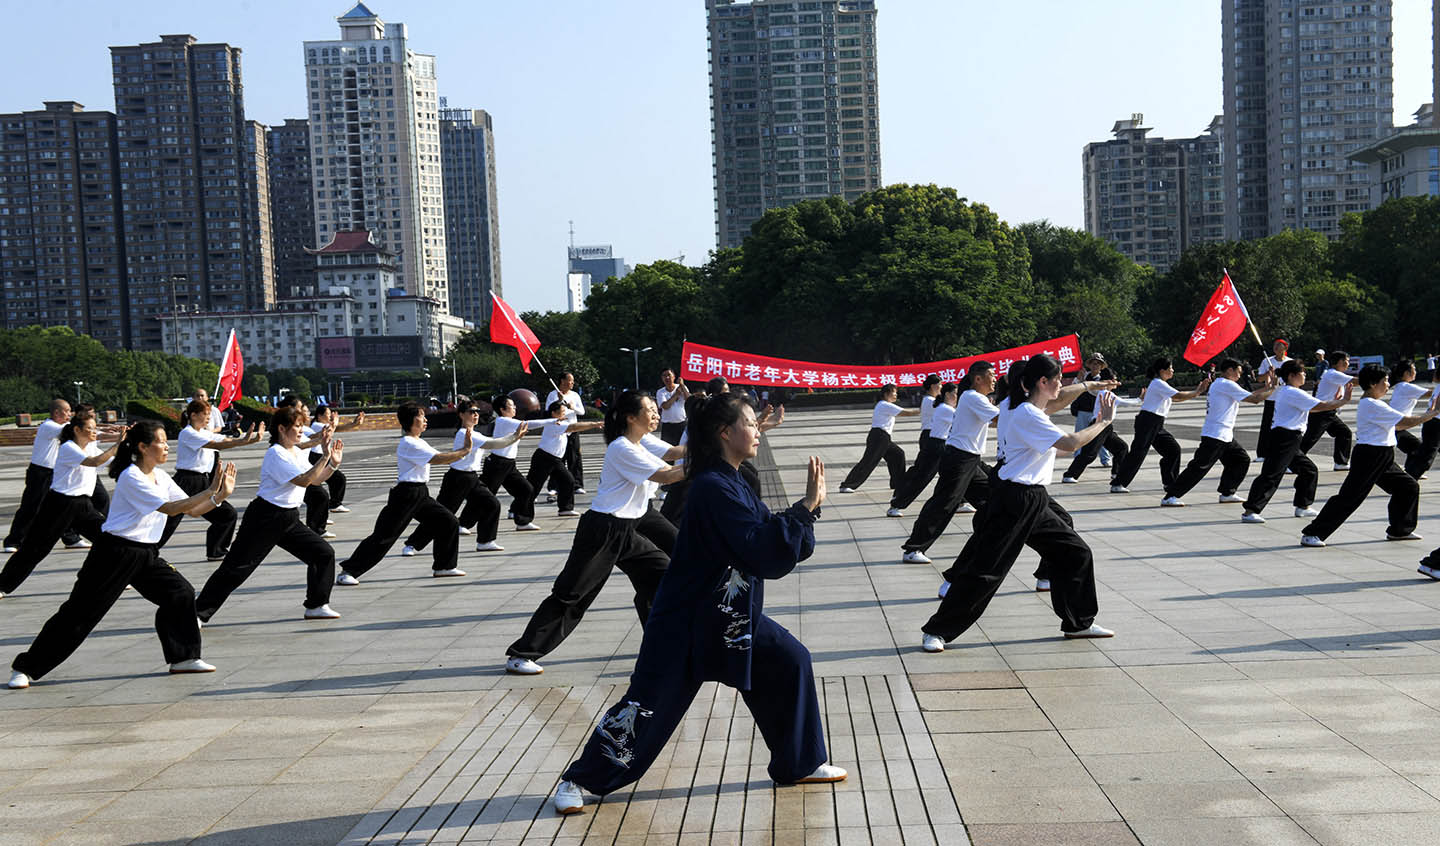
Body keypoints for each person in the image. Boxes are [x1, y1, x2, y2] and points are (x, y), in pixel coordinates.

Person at [549, 393, 844, 814]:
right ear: (725, 433)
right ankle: (580, 780)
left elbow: (765, 534)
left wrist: (802, 514)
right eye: (749, 423)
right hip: (686, 622)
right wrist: (806, 507)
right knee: (647, 706)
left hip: (730, 619)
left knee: (790, 660)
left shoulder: (733, 479)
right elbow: (759, 548)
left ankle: (799, 762)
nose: (757, 430)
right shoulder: (711, 487)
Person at [8, 422, 235, 689]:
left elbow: (193, 510)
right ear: (142, 447)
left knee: (180, 593)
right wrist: (211, 490)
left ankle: (183, 658)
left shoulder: (161, 476)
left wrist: (220, 496)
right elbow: (171, 508)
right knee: (80, 614)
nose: (166, 446)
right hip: (114, 553)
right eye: (161, 442)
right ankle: (25, 667)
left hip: (145, 554)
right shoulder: (132, 476)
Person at [919, 355, 1119, 653]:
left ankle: (1078, 623)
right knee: (987, 569)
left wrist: (1089, 385)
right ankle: (937, 631)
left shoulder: (1014, 406)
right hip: (1016, 499)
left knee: (1074, 553)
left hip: (1032, 497)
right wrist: (1103, 422)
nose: (1061, 384)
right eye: (1058, 378)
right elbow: (1068, 444)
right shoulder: (1027, 413)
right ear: (1042, 382)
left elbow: (1059, 400)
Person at [505, 391, 686, 676]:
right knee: (573, 594)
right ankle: (521, 654)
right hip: (602, 530)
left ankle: (662, 650)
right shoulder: (622, 448)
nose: (656, 414)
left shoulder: (640, 444)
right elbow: (669, 476)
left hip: (628, 530)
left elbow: (674, 462)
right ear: (630, 417)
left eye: (655, 409)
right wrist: (714, 457)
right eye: (650, 410)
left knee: (662, 578)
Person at [194, 406, 345, 622]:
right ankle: (197, 613)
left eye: (302, 426)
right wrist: (324, 458)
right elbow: (302, 480)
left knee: (322, 554)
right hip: (265, 517)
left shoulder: (295, 451)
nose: (302, 431)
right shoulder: (276, 453)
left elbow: (316, 480)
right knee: (237, 568)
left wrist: (333, 464)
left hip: (289, 518)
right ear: (282, 429)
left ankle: (316, 605)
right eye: (297, 426)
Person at [1300, 364, 1436, 548]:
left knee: (1408, 486)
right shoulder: (1372, 404)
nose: (1388, 384)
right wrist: (1432, 413)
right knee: (1350, 497)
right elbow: (1405, 421)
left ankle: (1400, 530)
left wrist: (1428, 415)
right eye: (1385, 381)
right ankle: (1312, 533)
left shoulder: (1375, 404)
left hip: (1384, 455)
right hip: (1370, 456)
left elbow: (1399, 426)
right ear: (1372, 384)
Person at [337, 402, 473, 584]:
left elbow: (441, 457)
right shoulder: (408, 443)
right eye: (421, 416)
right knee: (385, 536)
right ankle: (349, 571)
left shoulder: (419, 441)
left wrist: (461, 452)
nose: (425, 420)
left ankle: (444, 567)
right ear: (410, 420)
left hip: (420, 494)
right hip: (406, 495)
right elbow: (438, 459)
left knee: (448, 522)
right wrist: (464, 451)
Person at [0, 407, 123, 597]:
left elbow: (109, 460)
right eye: (90, 428)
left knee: (109, 540)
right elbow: (95, 462)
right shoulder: (68, 448)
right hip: (59, 505)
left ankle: (120, 578)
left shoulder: (90, 445)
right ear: (77, 430)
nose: (94, 432)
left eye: (94, 428)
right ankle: (2, 585)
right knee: (35, 549)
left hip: (83, 505)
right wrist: (118, 443)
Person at [402, 400, 528, 556]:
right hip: (457, 479)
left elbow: (494, 443)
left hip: (472, 478)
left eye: (477, 412)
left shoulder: (476, 434)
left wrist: (515, 436)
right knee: (443, 514)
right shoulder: (464, 433)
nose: (475, 414)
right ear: (461, 415)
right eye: (471, 411)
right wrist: (515, 436)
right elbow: (495, 444)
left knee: (491, 504)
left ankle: (485, 541)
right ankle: (412, 544)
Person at [900, 367, 997, 563]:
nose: (995, 378)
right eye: (991, 375)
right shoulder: (972, 397)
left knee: (993, 497)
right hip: (959, 460)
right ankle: (913, 548)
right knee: (944, 503)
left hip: (971, 460)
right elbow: (1000, 418)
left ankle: (986, 542)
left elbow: (997, 419)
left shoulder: (975, 398)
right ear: (978, 379)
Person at [1241, 359, 1353, 524]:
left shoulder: (1288, 391)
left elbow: (1315, 407)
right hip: (1284, 438)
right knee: (1272, 474)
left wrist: (1337, 402)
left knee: (1309, 470)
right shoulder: (1293, 392)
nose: (1305, 375)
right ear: (1292, 376)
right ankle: (1251, 510)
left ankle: (1303, 506)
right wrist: (1343, 401)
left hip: (1290, 438)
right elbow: (1320, 406)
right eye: (1302, 372)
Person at [155, 401, 262, 560]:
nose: (208, 418)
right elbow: (215, 445)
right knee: (168, 521)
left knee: (226, 515)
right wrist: (243, 441)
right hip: (187, 481)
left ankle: (216, 551)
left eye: (209, 415)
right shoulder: (188, 433)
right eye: (205, 414)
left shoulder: (204, 432)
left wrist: (250, 439)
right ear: (193, 415)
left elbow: (223, 440)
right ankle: (148, 551)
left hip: (202, 481)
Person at [1161, 358, 1274, 507]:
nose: (1240, 376)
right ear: (1229, 370)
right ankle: (1171, 496)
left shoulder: (1222, 384)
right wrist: (1274, 389)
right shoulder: (1226, 384)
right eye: (1238, 372)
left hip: (1224, 435)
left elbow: (1250, 394)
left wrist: (1269, 386)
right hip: (1216, 435)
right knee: (1198, 467)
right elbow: (1254, 399)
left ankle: (1228, 492)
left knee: (1241, 460)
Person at [1108, 358, 1211, 494]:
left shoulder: (1161, 384)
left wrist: (1196, 392)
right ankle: (1118, 483)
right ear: (1162, 371)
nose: (1173, 371)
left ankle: (1170, 483)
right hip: (1148, 421)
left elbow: (1175, 398)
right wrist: (1197, 391)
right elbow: (1178, 396)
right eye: (1171, 368)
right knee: (1138, 453)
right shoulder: (1158, 383)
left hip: (1156, 423)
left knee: (1172, 450)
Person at [4, 398, 87, 553]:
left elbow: (79, 431)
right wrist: (95, 427)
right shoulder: (49, 426)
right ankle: (14, 541)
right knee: (31, 507)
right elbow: (76, 431)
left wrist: (104, 431)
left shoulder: (61, 427)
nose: (70, 413)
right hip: (41, 473)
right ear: (57, 412)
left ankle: (71, 538)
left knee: (63, 506)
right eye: (67, 411)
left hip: (54, 473)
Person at [527, 401, 605, 519]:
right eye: (563, 412)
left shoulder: (560, 422)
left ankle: (565, 508)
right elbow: (574, 427)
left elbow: (572, 428)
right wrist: (594, 424)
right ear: (554, 413)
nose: (565, 414)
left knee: (568, 481)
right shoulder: (555, 424)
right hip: (544, 458)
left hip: (555, 460)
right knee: (533, 486)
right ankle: (516, 511)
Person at [838, 384, 921, 493]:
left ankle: (898, 483)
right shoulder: (884, 405)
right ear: (886, 394)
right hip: (879, 437)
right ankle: (847, 485)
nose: (896, 395)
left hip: (883, 437)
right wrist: (924, 410)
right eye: (894, 392)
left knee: (898, 455)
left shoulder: (885, 405)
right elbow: (907, 413)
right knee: (869, 461)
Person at [887, 376, 945, 517]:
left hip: (937, 438)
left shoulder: (931, 401)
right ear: (933, 386)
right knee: (923, 474)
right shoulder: (931, 401)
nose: (942, 387)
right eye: (940, 384)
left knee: (953, 471)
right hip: (932, 439)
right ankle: (897, 503)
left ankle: (962, 501)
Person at [481, 394, 539, 531]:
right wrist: (553, 421)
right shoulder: (503, 421)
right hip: (497, 465)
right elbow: (529, 424)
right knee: (485, 497)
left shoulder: (510, 422)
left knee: (526, 490)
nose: (515, 408)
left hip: (509, 465)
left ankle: (523, 521)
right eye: (512, 406)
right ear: (502, 409)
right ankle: (464, 523)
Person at [1299, 350, 1355, 470]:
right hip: (1321, 412)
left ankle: (1341, 463)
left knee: (1344, 433)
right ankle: (1292, 462)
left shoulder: (1335, 374)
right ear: (1339, 362)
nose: (1348, 364)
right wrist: (1373, 379)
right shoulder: (1332, 374)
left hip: (1328, 411)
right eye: (1346, 361)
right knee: (1310, 438)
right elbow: (1355, 381)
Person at [308, 405, 364, 514]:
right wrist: (334, 422)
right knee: (337, 479)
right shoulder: (316, 425)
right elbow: (331, 430)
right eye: (328, 414)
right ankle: (334, 504)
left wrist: (354, 424)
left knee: (334, 480)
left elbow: (337, 428)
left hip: (321, 456)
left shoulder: (323, 424)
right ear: (319, 416)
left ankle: (332, 504)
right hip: (316, 456)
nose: (330, 416)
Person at [1390, 361, 1439, 479]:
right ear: (1407, 373)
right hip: (1395, 427)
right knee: (1417, 448)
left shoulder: (1401, 386)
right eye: (1414, 369)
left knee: (1416, 447)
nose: (1416, 372)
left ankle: (1410, 472)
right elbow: (1430, 394)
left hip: (1396, 425)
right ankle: (1411, 474)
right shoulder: (1406, 386)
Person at [1070, 353, 1117, 468]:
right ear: (1089, 365)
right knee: (1079, 436)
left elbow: (1101, 393)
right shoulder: (1083, 376)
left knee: (1100, 437)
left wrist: (1086, 385)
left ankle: (1105, 459)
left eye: (1098, 364)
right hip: (1083, 411)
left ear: (1102, 366)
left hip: (1098, 412)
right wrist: (1078, 380)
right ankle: (1078, 460)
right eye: (1093, 363)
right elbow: (1073, 388)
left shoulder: (1105, 379)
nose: (1095, 366)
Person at [546, 372, 588, 494]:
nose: (572, 383)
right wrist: (559, 402)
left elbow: (582, 412)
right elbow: (549, 410)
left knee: (575, 458)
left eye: (573, 381)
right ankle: (554, 486)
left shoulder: (575, 395)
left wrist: (572, 407)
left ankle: (577, 485)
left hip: (573, 429)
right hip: (559, 430)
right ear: (562, 381)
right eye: (570, 380)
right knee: (558, 458)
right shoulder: (553, 394)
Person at [1255, 339, 1291, 459]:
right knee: (1266, 426)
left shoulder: (1290, 362)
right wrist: (1268, 373)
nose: (1276, 349)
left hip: (1285, 399)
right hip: (1271, 398)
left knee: (1284, 427)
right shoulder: (1267, 361)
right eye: (1275, 346)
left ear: (1285, 349)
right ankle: (1262, 454)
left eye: (1279, 347)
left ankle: (1280, 452)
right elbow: (1259, 379)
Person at [656, 369, 689, 445]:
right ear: (662, 378)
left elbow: (689, 399)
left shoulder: (682, 387)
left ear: (674, 376)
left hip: (682, 424)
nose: (667, 378)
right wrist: (676, 394)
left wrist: (682, 385)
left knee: (683, 448)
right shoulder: (660, 392)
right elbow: (665, 406)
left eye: (669, 375)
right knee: (667, 450)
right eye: (664, 376)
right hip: (667, 426)